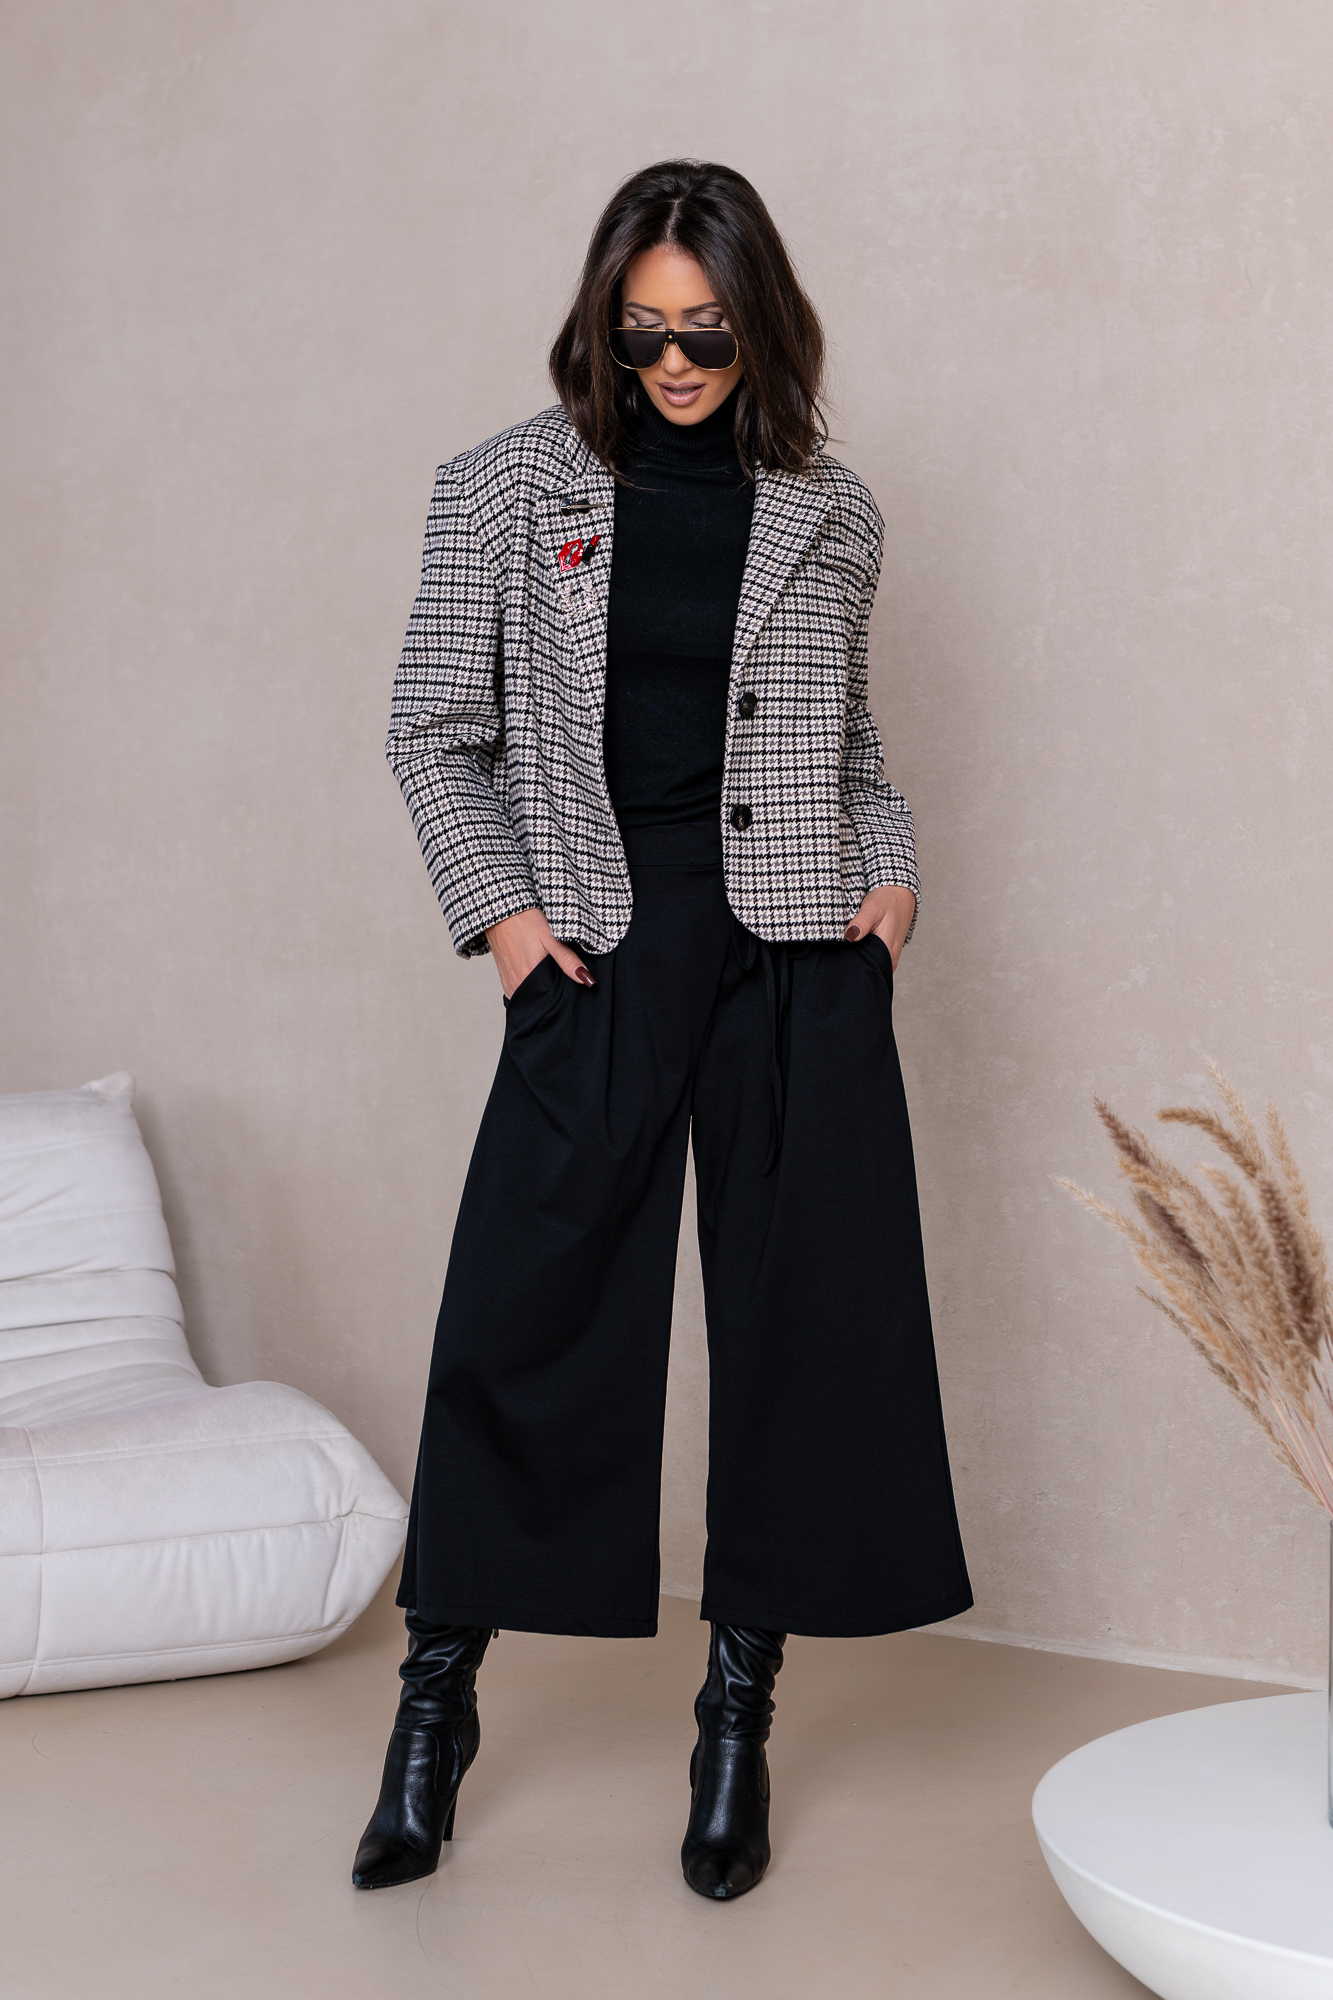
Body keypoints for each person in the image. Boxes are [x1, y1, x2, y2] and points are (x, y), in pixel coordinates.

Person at [353, 158, 971, 1902]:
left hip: (796, 954)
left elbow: (851, 747)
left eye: (706, 332)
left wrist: (892, 877)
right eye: (643, 334)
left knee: (801, 1334)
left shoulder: (831, 512)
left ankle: (734, 1722)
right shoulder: (502, 485)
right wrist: (506, 921)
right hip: (595, 950)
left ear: (760, 324)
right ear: (601, 326)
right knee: (521, 1320)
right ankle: (432, 1713)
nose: (676, 364)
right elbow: (430, 727)